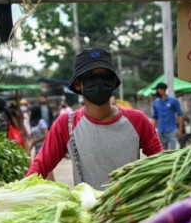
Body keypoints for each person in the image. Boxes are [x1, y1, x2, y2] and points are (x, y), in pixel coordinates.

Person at [27, 47, 163, 190]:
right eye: (91, 75)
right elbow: (39, 167)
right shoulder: (66, 124)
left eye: (104, 75)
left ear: (112, 81)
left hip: (131, 210)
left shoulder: (137, 120)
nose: (99, 81)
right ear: (78, 84)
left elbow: (163, 163)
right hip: (88, 211)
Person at [152, 82, 183, 150]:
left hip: (172, 130)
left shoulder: (173, 101)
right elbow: (155, 117)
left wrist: (180, 129)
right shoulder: (156, 102)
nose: (157, 91)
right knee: (162, 152)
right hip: (161, 131)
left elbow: (180, 115)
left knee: (172, 151)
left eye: (158, 89)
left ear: (163, 90)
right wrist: (151, 131)